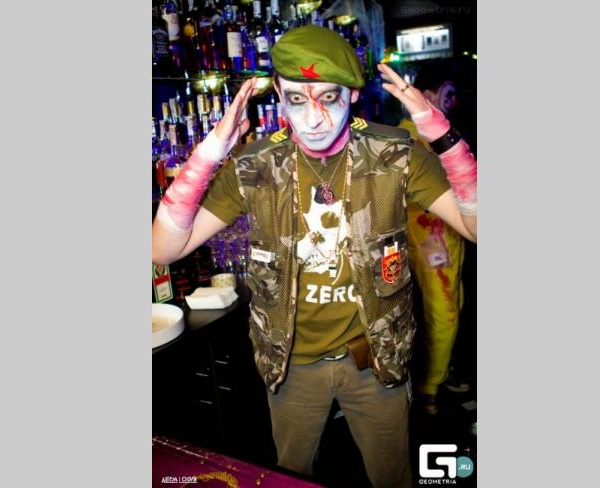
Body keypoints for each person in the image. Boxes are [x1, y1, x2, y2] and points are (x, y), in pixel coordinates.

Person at [152, 25, 477, 488]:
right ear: (279, 96)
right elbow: (163, 249)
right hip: (291, 364)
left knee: (393, 477)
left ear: (353, 94)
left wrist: (443, 138)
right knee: (290, 476)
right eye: (297, 100)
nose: (314, 119)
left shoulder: (394, 154)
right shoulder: (255, 164)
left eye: (329, 97)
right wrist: (210, 152)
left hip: (376, 359)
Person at [397, 62, 472, 415]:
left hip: (447, 239)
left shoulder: (435, 132)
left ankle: (439, 373)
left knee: (450, 307)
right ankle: (429, 388)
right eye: (447, 94)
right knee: (443, 313)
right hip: (431, 242)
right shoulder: (411, 139)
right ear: (426, 95)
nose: (453, 102)